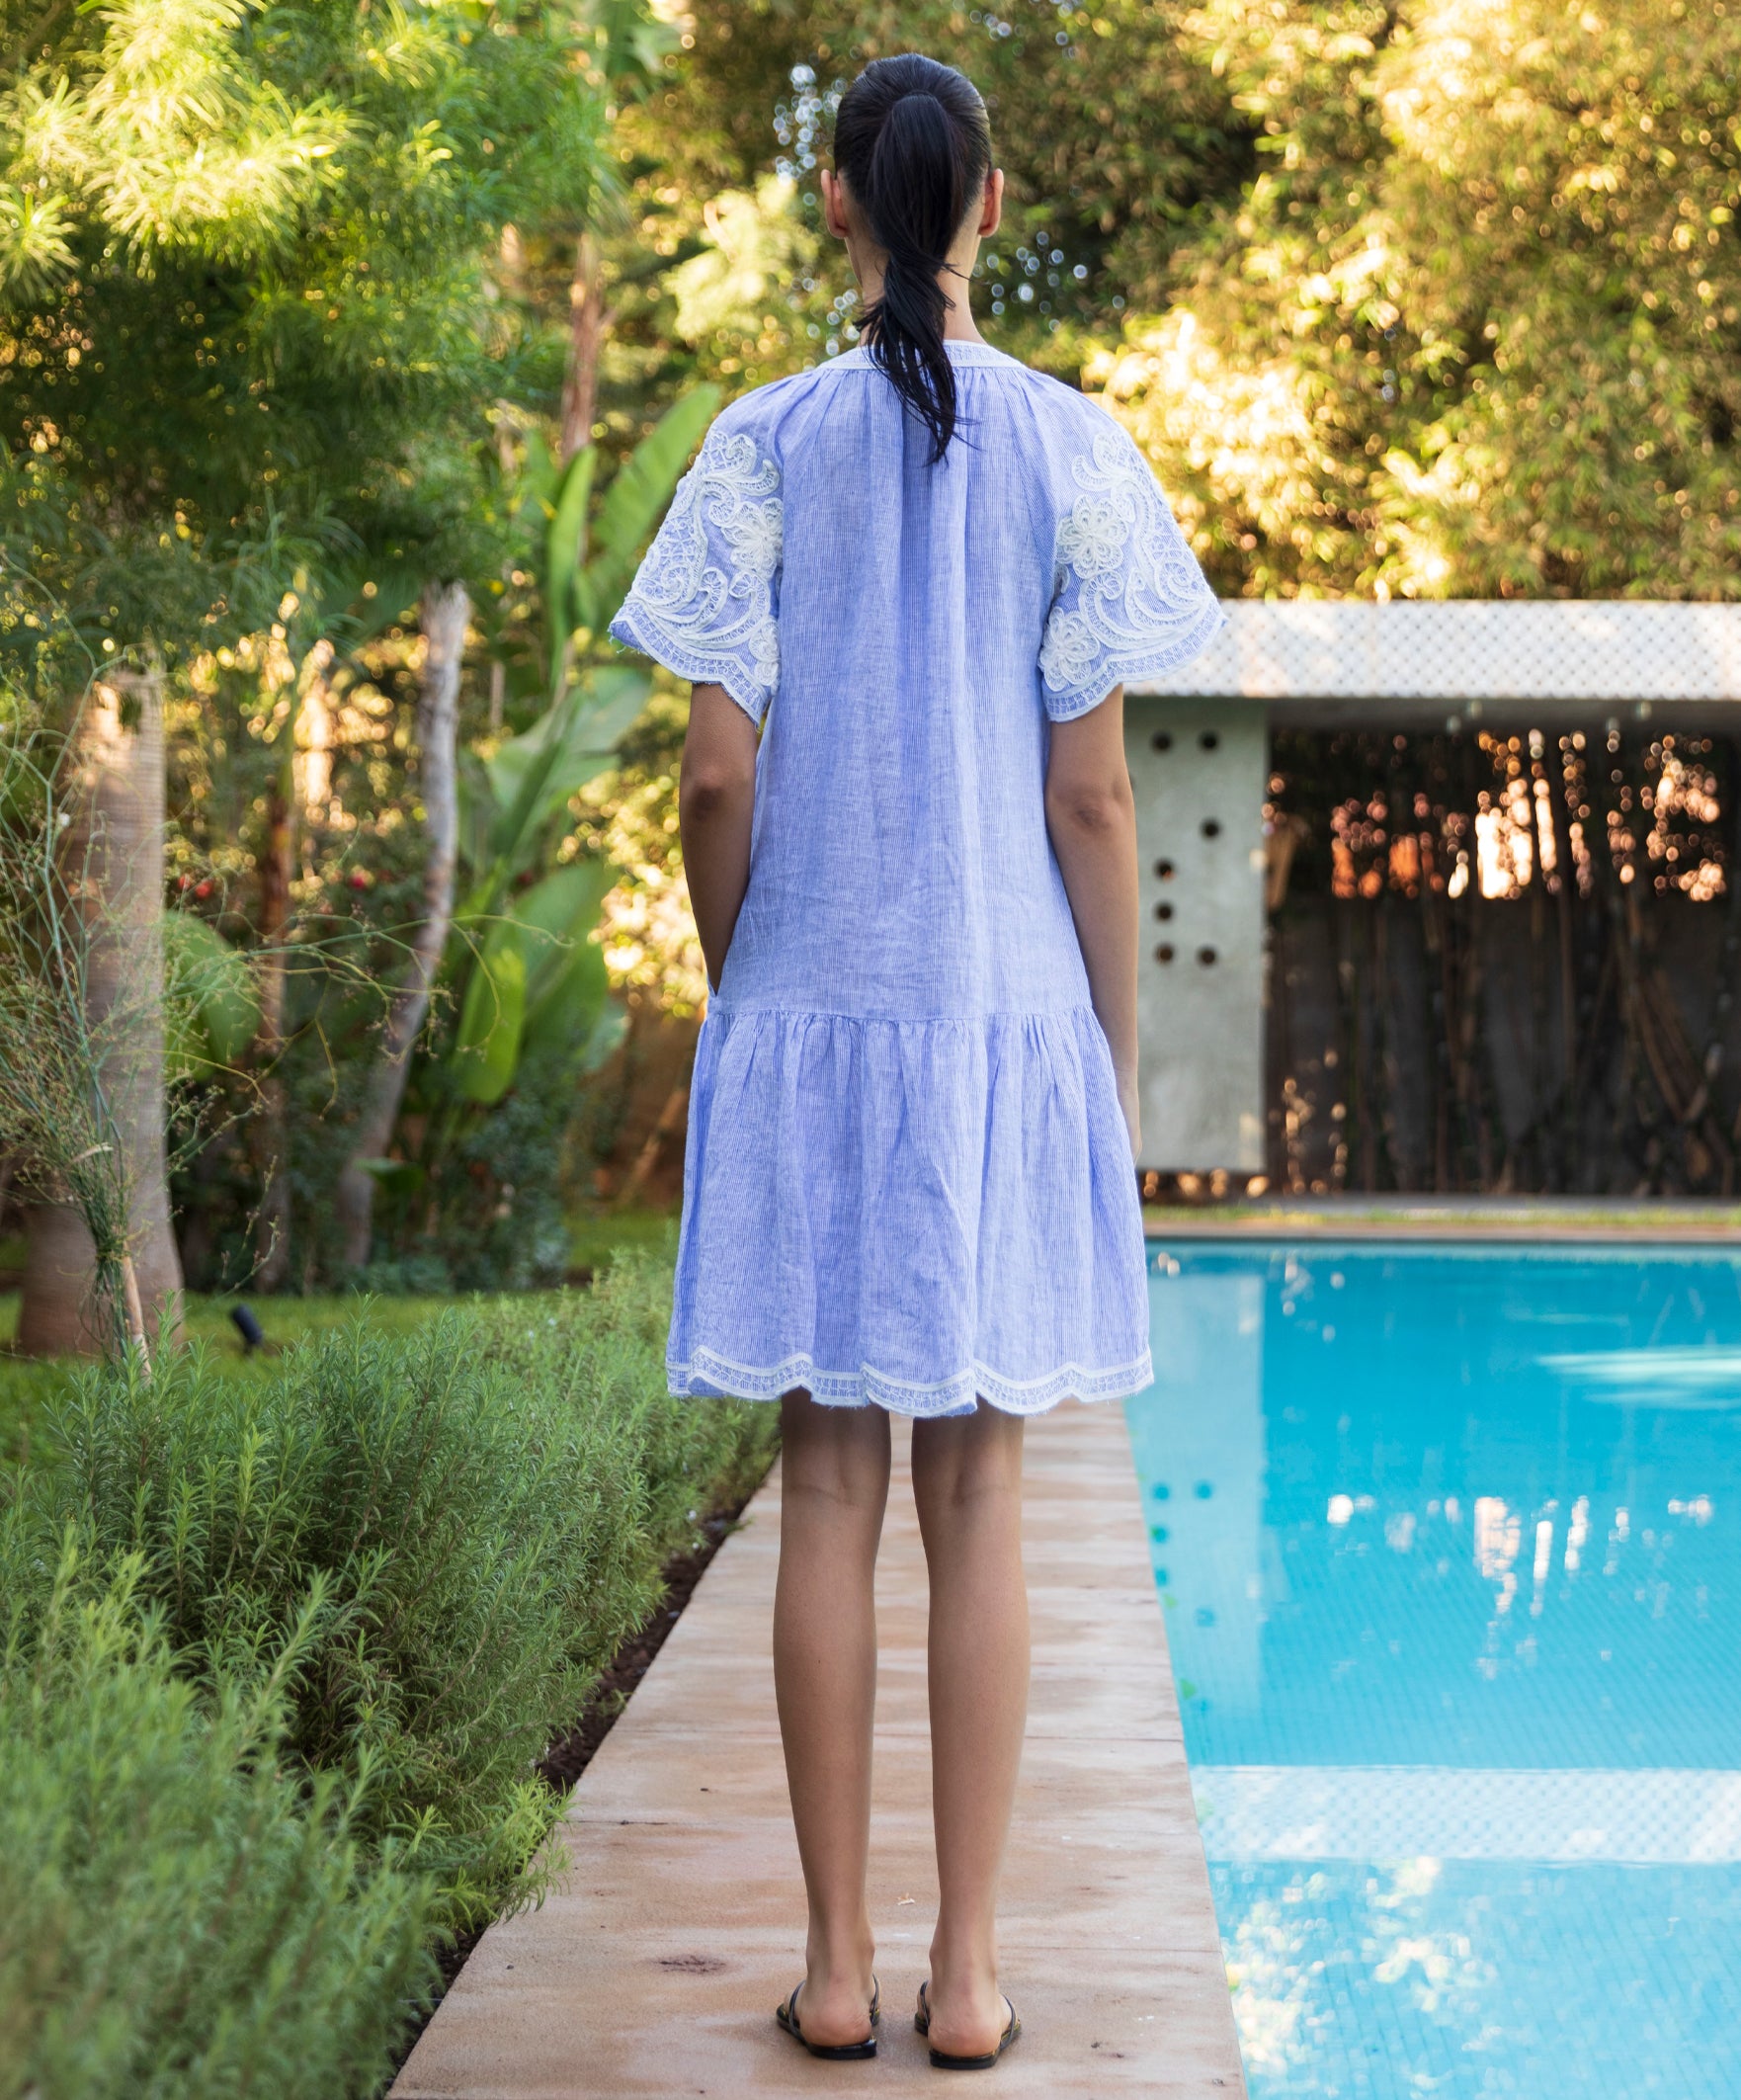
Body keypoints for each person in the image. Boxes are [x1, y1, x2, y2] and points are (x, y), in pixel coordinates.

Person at [610, 51, 1222, 2072]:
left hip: (813, 1010)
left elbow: (713, 773)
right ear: (979, 208)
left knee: (823, 1486)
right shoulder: (1073, 448)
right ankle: (968, 1977)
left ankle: (827, 1967)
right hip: (1003, 1030)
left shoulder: (759, 444)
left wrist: (751, 976)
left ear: (832, 206)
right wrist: (1109, 1071)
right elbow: (1095, 806)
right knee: (979, 1497)